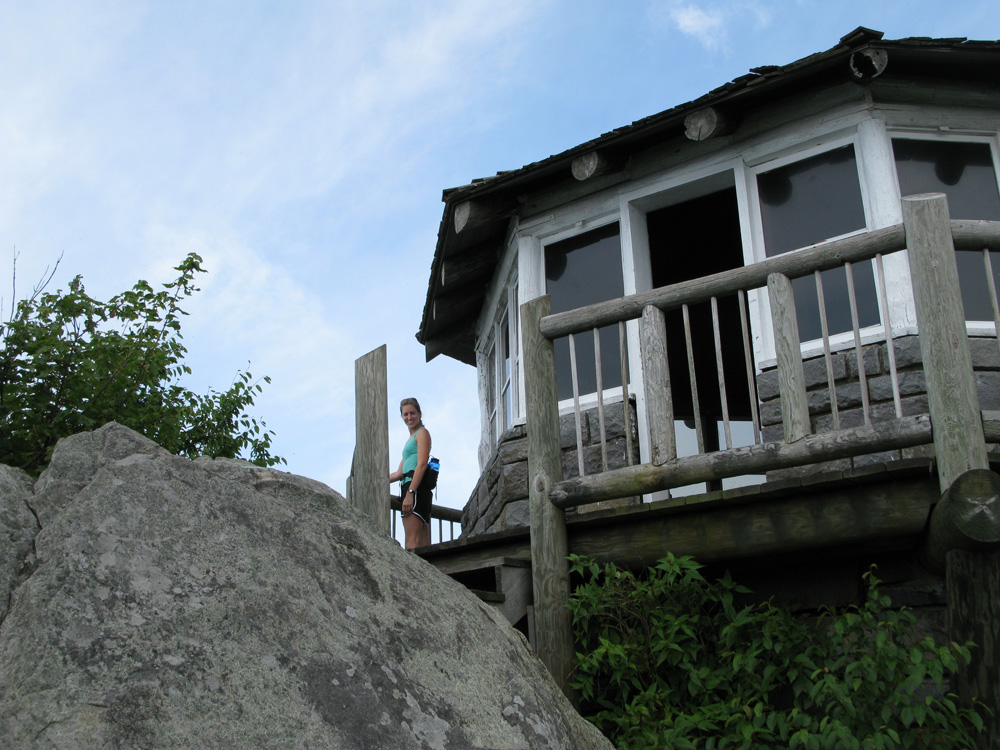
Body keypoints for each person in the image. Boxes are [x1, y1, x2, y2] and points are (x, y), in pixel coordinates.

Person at [388, 397, 432, 549]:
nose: (409, 417)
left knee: (412, 542)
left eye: (412, 413)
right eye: (405, 414)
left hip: (414, 486)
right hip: (413, 485)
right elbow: (399, 473)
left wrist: (410, 493)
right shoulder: (410, 440)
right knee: (421, 544)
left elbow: (422, 464)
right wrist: (377, 481)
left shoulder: (422, 433)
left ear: (419, 414)